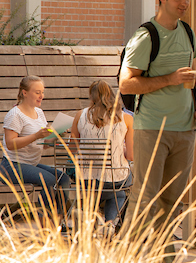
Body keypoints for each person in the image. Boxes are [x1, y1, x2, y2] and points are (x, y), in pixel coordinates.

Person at [119, 0, 196, 236]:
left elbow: (193, 75)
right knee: (144, 198)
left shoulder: (188, 32)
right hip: (152, 128)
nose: (185, 3)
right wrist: (169, 79)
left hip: (185, 130)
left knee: (171, 202)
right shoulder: (145, 36)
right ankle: (126, 262)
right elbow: (126, 84)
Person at [2, 76, 70, 221]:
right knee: (50, 180)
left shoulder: (39, 113)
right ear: (24, 93)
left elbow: (44, 144)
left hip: (31, 164)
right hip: (12, 165)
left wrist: (57, 135)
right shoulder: (15, 115)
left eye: (42, 92)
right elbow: (10, 144)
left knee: (63, 179)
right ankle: (43, 220)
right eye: (37, 92)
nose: (41, 96)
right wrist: (37, 135)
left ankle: (57, 219)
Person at [70, 79, 134, 226]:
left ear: (91, 97)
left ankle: (90, 222)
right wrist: (119, 149)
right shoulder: (127, 119)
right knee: (119, 191)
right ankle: (110, 224)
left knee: (94, 189)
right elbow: (130, 156)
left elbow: (72, 149)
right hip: (115, 179)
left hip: (86, 180)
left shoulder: (80, 115)